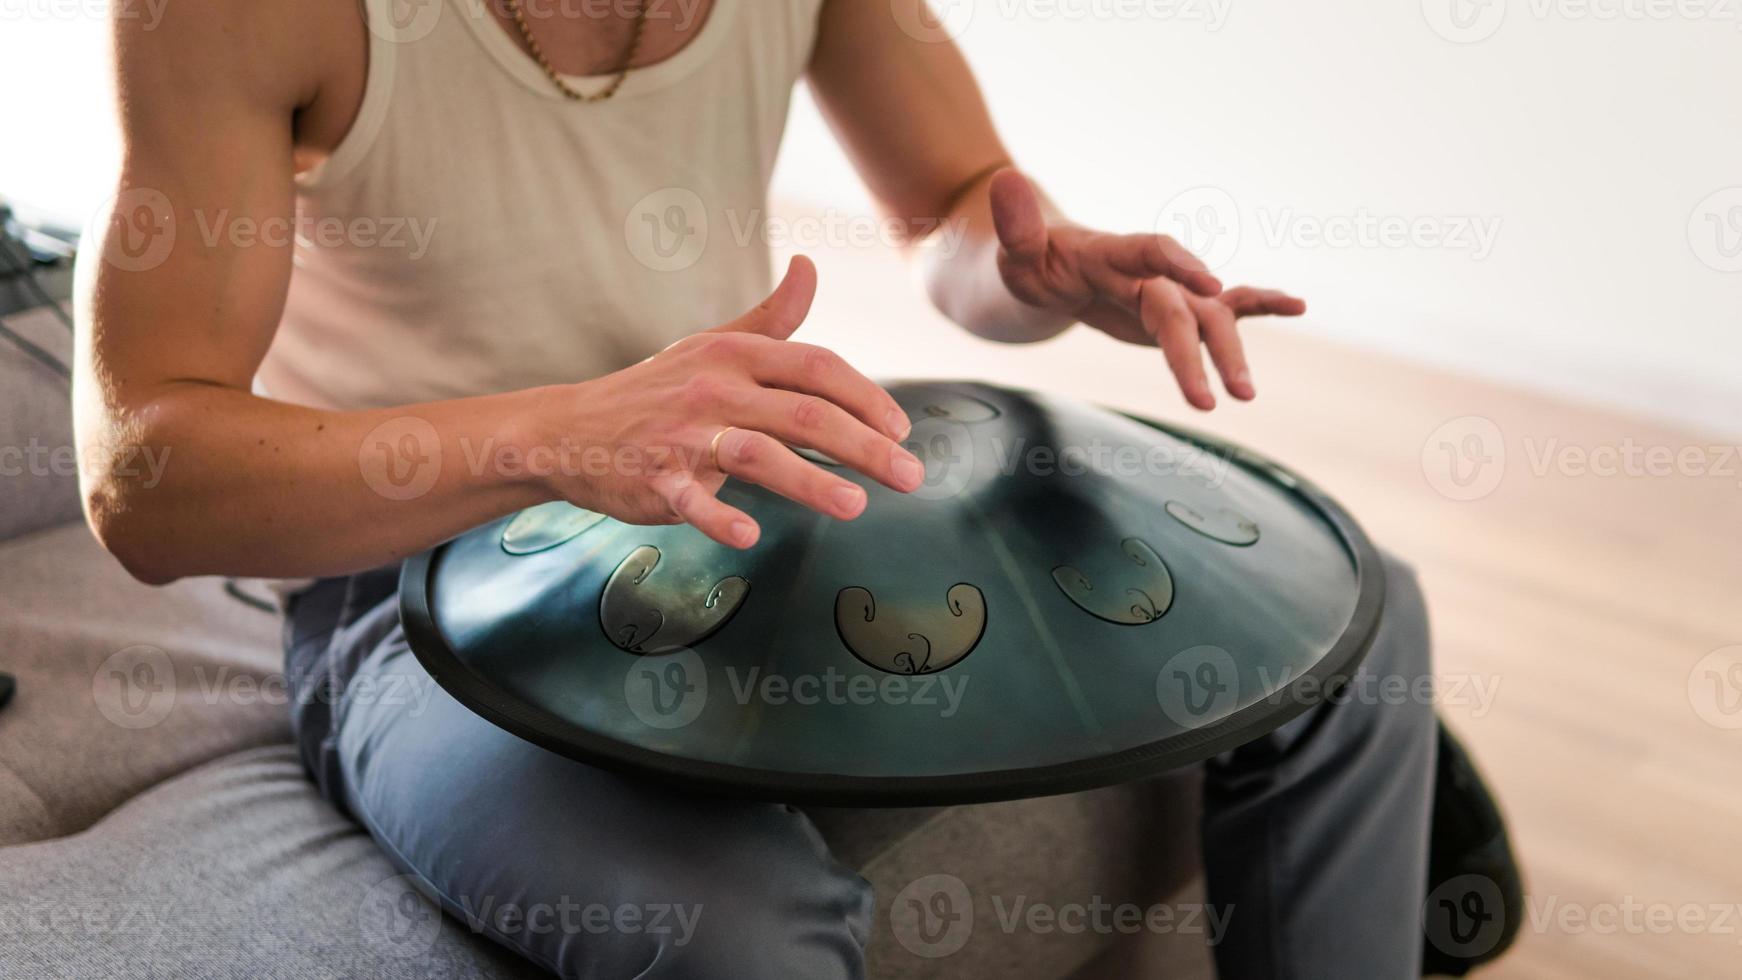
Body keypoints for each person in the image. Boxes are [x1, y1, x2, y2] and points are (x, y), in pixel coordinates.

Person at [76, 1, 1436, 976]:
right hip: (420, 593)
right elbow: (145, 481)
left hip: (750, 525)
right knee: (737, 932)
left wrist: (1030, 272)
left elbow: (955, 209)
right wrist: (559, 436)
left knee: (1357, 623)